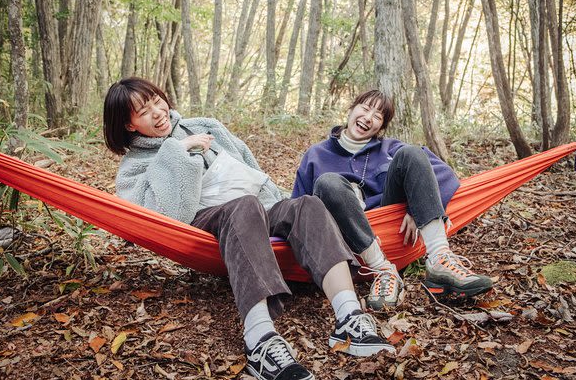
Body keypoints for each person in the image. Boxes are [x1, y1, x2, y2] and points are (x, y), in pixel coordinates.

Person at [103, 78, 394, 380]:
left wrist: (282, 205)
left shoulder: (207, 126)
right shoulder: (134, 168)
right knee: (244, 206)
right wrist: (178, 151)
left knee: (306, 205)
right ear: (129, 125)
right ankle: (260, 341)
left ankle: (349, 317)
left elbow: (252, 171)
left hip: (256, 206)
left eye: (156, 101)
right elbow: (167, 214)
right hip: (204, 222)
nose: (157, 112)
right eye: (143, 111)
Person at [292, 90, 493, 310]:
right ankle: (383, 271)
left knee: (413, 153)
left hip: (390, 228)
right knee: (328, 182)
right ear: (351, 109)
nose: (369, 118)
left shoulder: (389, 149)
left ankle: (440, 259)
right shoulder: (316, 155)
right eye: (365, 108)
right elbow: (298, 209)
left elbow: (445, 175)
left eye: (378, 116)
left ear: (381, 127)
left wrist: (414, 209)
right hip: (346, 239)